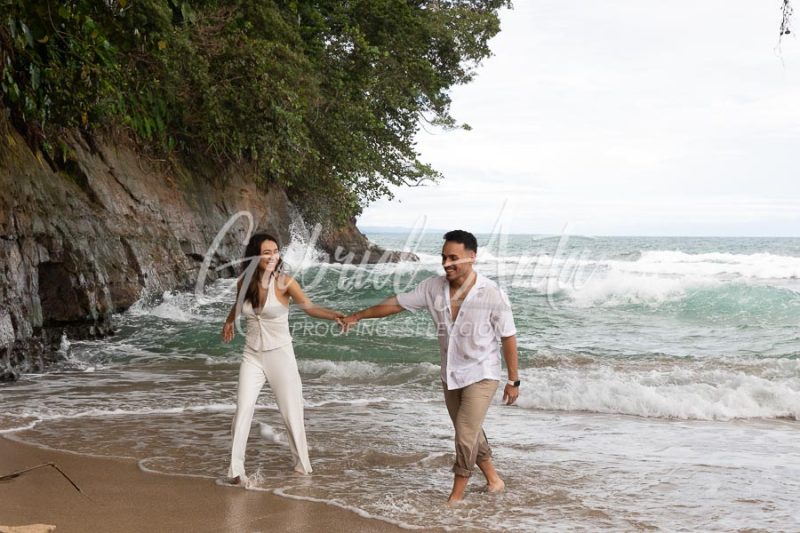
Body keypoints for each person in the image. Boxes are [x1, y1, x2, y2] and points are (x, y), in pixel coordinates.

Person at [340, 230, 520, 504]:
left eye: (453, 258)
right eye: (444, 257)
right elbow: (396, 303)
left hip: (482, 374)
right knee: (469, 432)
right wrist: (357, 316)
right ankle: (494, 481)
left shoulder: (492, 294)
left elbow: (508, 336)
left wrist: (513, 380)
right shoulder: (432, 288)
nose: (447, 263)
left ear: (472, 257)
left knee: (464, 433)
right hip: (451, 373)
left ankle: (455, 498)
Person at [221, 232, 344, 483]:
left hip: (280, 356)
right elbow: (238, 305)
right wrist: (229, 321)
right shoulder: (244, 282)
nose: (272, 256)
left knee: (291, 413)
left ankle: (302, 466)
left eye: (275, 252)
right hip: (251, 356)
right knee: (243, 409)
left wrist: (335, 316)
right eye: (266, 252)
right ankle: (236, 470)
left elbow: (310, 308)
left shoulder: (285, 283)